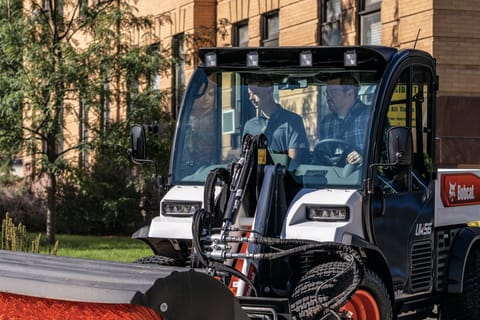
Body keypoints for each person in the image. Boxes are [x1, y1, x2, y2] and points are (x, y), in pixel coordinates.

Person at [243, 74, 309, 163]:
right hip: (257, 176)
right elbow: (245, 159)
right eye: (249, 94)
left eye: (255, 93)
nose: (250, 98)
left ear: (270, 90)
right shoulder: (250, 126)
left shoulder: (293, 122)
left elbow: (293, 163)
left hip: (284, 175)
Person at [318, 73, 370, 165]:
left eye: (333, 92)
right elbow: (321, 156)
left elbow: (385, 155)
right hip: (333, 177)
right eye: (327, 93)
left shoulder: (370, 116)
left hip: (362, 176)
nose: (328, 97)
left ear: (350, 93)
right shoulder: (326, 122)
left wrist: (364, 159)